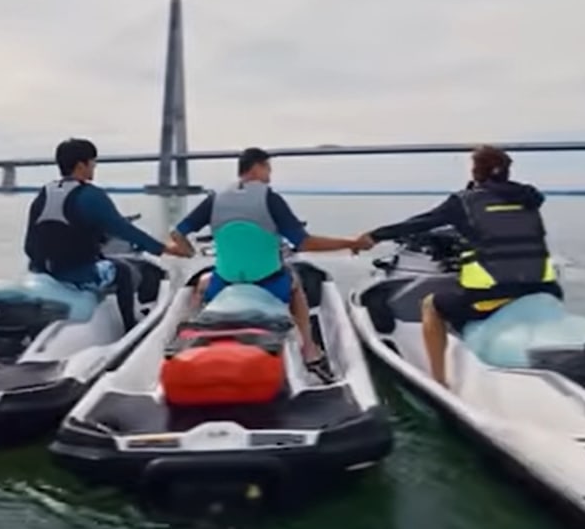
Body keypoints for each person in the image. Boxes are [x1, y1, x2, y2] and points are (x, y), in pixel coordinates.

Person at [353, 145, 561, 388]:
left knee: (431, 305)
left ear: (475, 172)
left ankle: (439, 380)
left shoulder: (464, 202)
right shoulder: (529, 200)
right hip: (544, 292)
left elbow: (421, 223)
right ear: (507, 171)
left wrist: (373, 236)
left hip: (492, 299)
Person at [170, 147, 361, 381]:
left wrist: (188, 251)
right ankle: (309, 350)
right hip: (268, 284)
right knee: (295, 285)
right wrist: (350, 243)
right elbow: (304, 243)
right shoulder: (270, 199)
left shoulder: (214, 199)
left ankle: (190, 334)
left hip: (224, 284)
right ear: (257, 167)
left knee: (201, 285)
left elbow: (177, 233)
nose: (269, 175)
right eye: (268, 168)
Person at [25, 138, 190, 327]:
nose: (94, 167)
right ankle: (129, 326)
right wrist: (165, 249)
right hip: (76, 273)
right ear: (81, 165)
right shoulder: (90, 195)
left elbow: (30, 244)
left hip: (41, 269)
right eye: (92, 162)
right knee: (123, 271)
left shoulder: (44, 193)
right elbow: (124, 230)